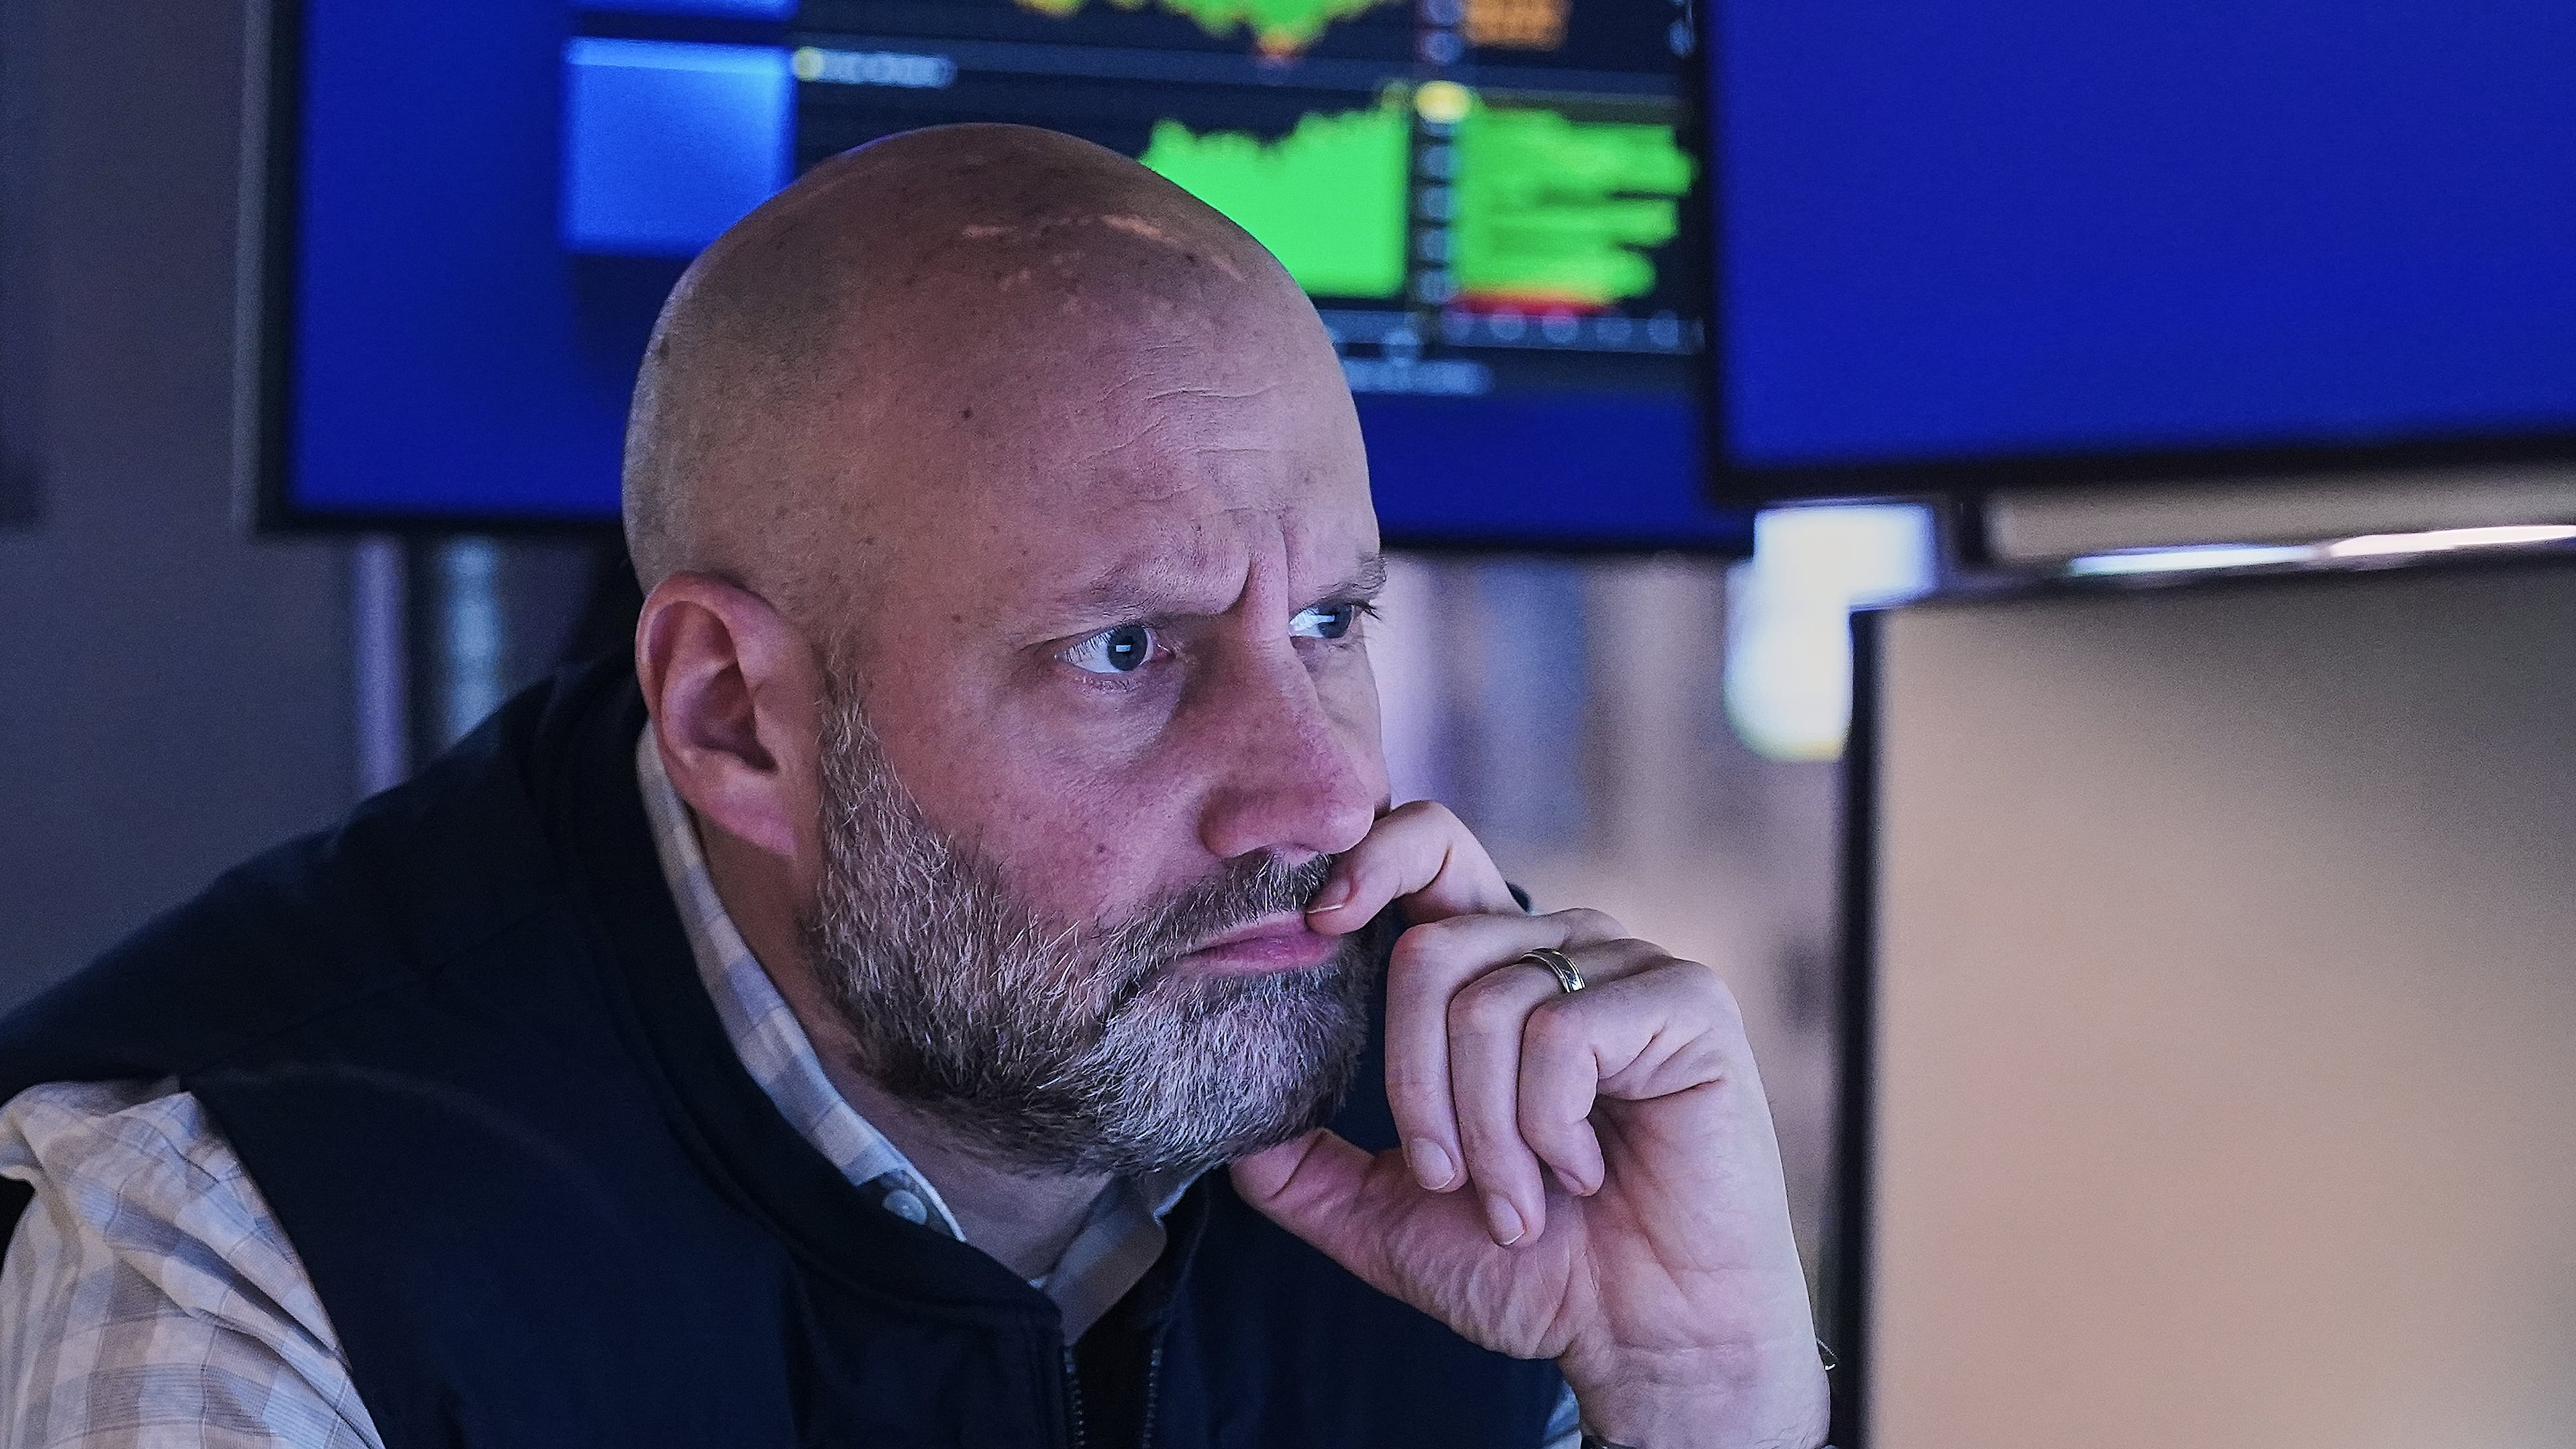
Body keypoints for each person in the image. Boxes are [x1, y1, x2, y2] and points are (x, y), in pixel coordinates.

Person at [0, 125, 1825, 1449]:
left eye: (1332, 620)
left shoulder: (1457, 1130)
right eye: (1128, 650)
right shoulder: (257, 1215)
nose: (1316, 795)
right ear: (734, 719)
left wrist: (1701, 1389)